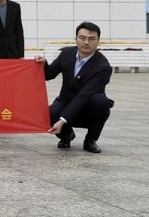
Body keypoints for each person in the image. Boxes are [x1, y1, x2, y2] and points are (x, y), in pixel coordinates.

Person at [35, 22, 113, 153]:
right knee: (50, 113)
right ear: (76, 39)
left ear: (98, 41)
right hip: (66, 101)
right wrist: (43, 65)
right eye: (82, 38)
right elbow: (49, 74)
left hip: (89, 108)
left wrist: (62, 121)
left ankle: (90, 140)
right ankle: (66, 135)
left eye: (91, 39)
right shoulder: (66, 53)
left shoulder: (103, 67)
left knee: (101, 102)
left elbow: (84, 96)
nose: (86, 42)